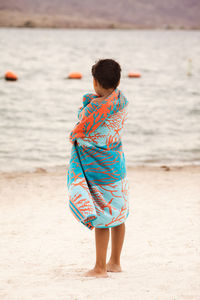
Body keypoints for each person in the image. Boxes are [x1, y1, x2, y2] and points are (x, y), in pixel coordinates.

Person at [67, 58, 129, 278]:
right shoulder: (121, 101)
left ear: (94, 82)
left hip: (99, 173)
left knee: (102, 218)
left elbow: (81, 132)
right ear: (118, 82)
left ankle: (100, 268)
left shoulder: (93, 109)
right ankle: (115, 262)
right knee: (119, 215)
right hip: (116, 167)